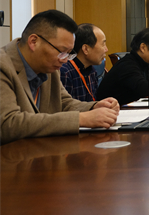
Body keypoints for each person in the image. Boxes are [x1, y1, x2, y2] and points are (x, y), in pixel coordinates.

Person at [1, 10, 119, 145]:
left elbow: (63, 102)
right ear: (34, 42)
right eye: (62, 52)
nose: (65, 60)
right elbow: (7, 124)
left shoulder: (49, 67)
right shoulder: (3, 66)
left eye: (69, 53)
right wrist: (80, 119)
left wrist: (94, 107)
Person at [60, 23, 108, 101]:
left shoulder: (91, 70)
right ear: (86, 49)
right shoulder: (65, 72)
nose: (106, 49)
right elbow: (64, 106)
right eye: (103, 44)